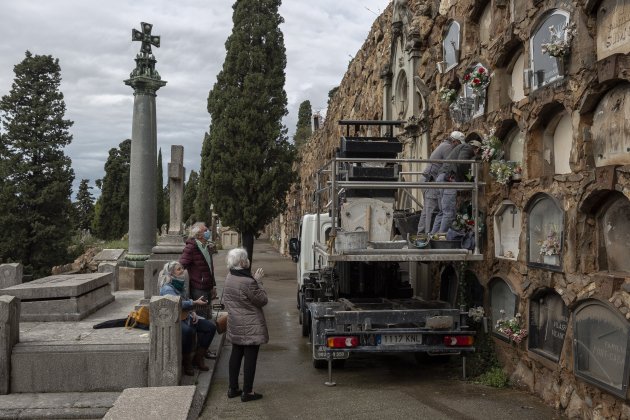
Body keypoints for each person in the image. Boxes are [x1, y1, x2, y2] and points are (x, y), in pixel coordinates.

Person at [223, 247, 268, 402]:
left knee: (236, 354)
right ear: (242, 261)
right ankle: (247, 392)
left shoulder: (229, 277)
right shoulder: (248, 282)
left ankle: (233, 388)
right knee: (250, 357)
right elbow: (262, 300)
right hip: (250, 324)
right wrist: (258, 281)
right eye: (246, 258)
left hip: (235, 322)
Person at [158, 261, 217, 376]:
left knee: (210, 327)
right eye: (179, 269)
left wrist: (193, 311)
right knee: (188, 331)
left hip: (187, 315)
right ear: (171, 274)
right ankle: (187, 362)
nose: (182, 271)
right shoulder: (167, 288)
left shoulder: (180, 283)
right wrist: (194, 302)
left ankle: (198, 358)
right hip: (175, 318)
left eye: (182, 268)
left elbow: (186, 300)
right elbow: (178, 304)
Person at [417, 131, 465, 235]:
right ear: (455, 141)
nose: (460, 146)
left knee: (428, 210)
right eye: (459, 143)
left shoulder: (444, 145)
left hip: (429, 179)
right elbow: (452, 165)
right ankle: (426, 237)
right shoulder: (448, 148)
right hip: (430, 180)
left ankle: (423, 236)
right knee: (431, 209)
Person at [430, 138, 482, 234]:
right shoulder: (467, 148)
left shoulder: (460, 147)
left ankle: (432, 237)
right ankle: (442, 240)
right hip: (449, 179)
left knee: (442, 212)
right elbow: (462, 163)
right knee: (449, 213)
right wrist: (470, 178)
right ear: (477, 149)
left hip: (441, 177)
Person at [180, 222, 217, 317]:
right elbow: (181, 265)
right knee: (202, 317)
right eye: (205, 230)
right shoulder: (191, 247)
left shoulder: (207, 246)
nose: (208, 232)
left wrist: (213, 286)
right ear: (199, 235)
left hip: (208, 287)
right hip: (198, 288)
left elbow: (209, 268)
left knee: (208, 315)